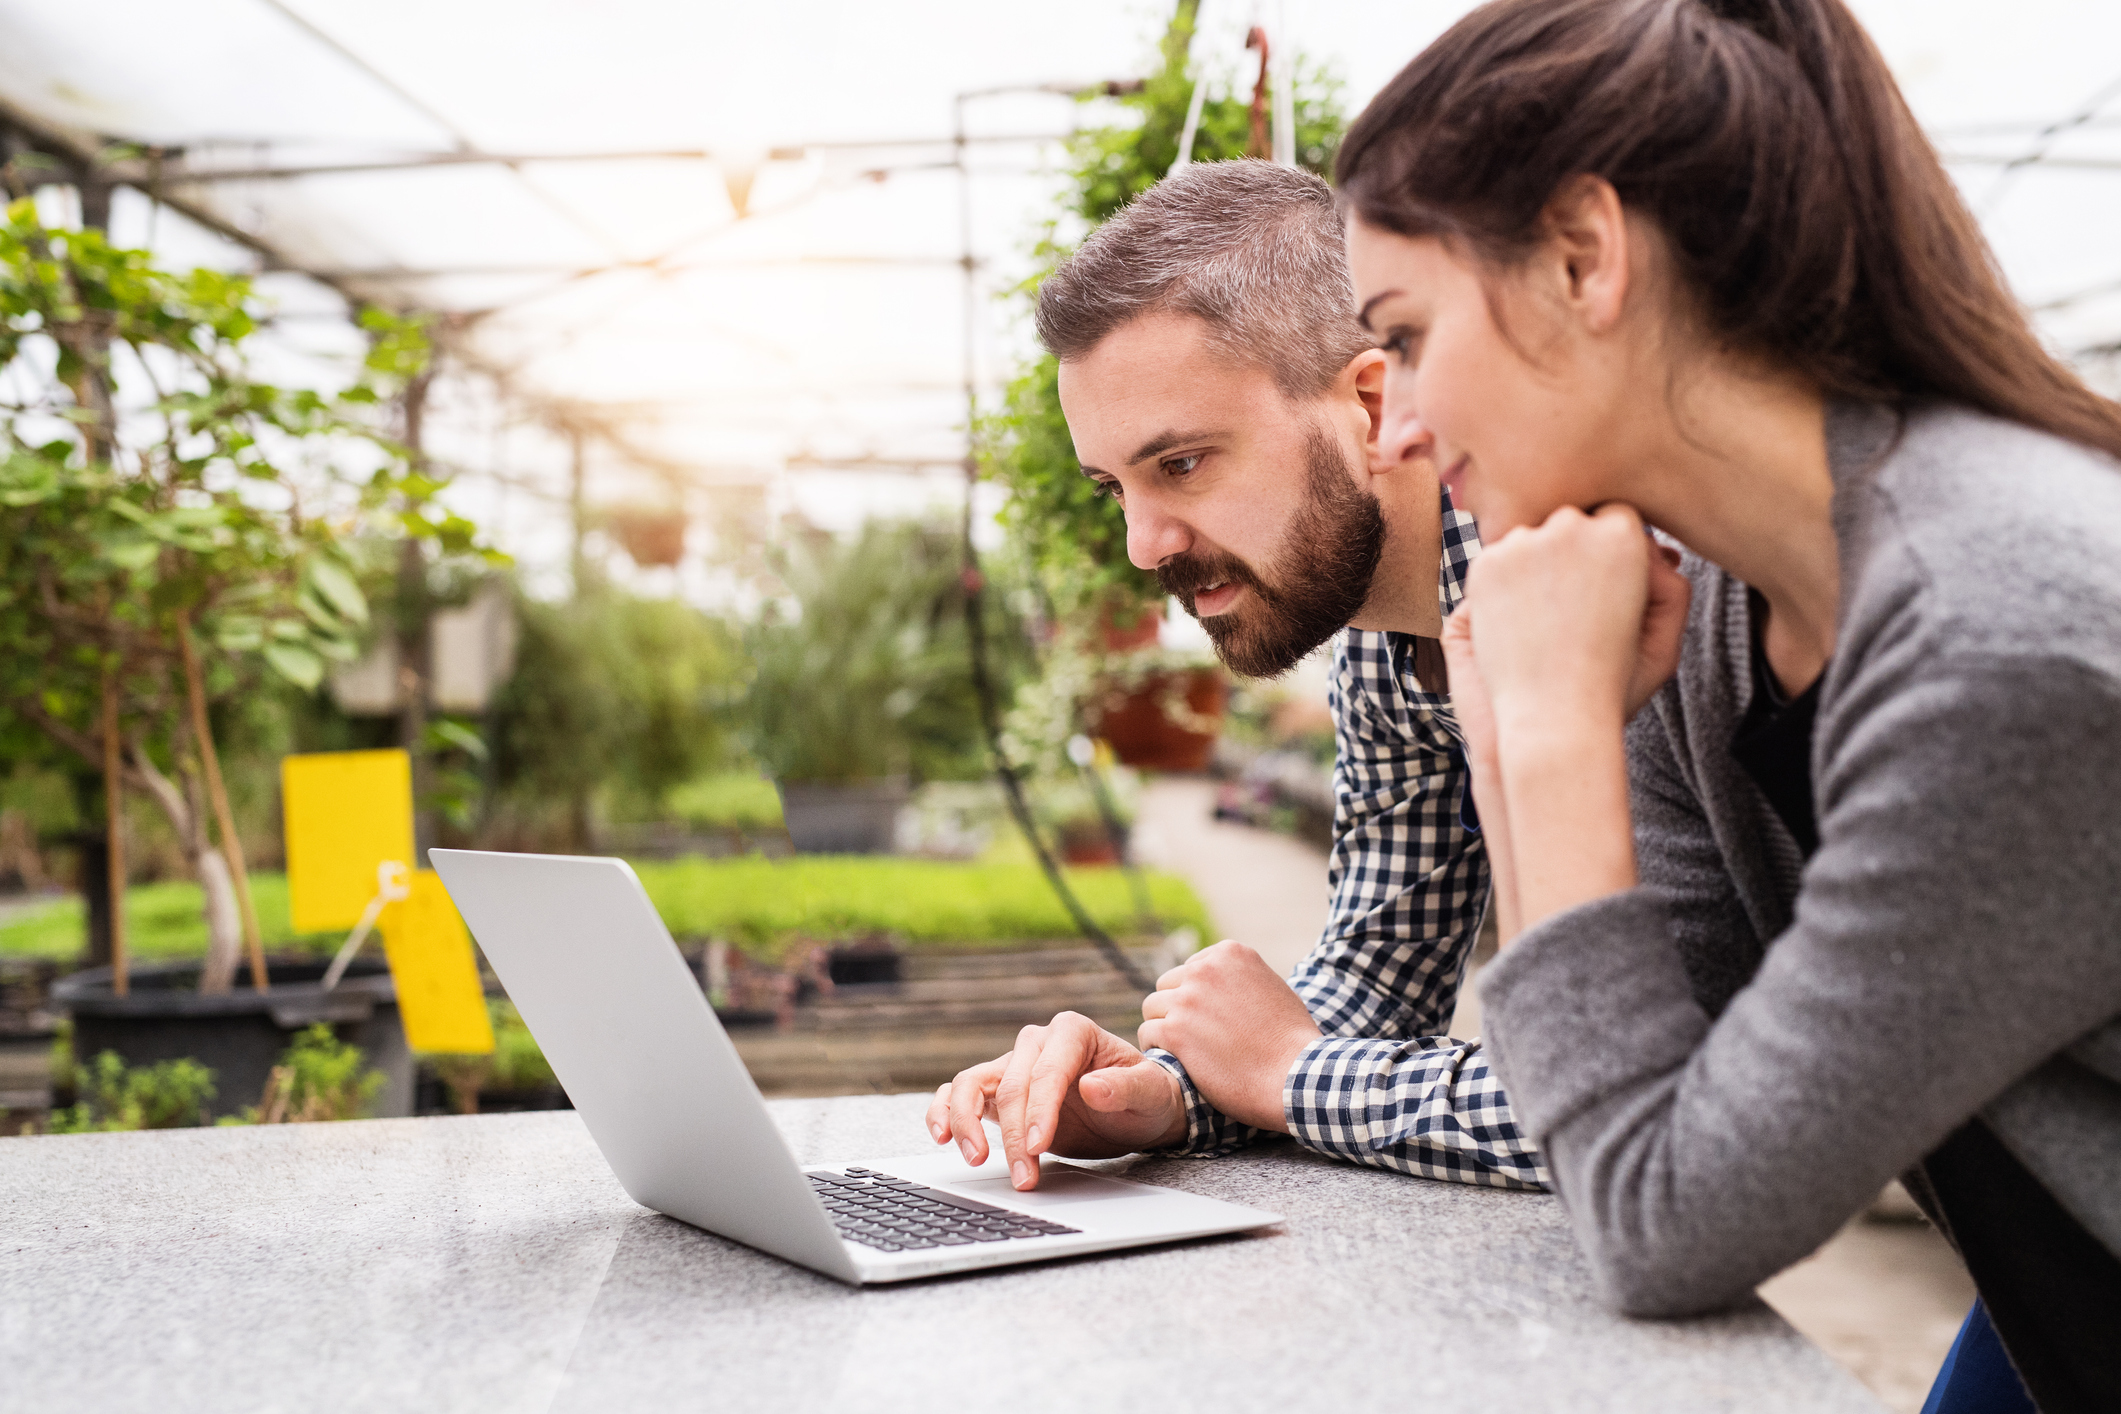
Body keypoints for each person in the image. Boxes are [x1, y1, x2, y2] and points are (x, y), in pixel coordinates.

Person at [1334, 0, 2121, 1409]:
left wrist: (1556, 727)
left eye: (1405, 333)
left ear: (1582, 258)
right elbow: (1609, 1106)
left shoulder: (1989, 635)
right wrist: (1510, 717)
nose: (1386, 429)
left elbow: (1662, 1218)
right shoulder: (1716, 624)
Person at [927, 160, 1547, 1199]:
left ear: (1369, 399)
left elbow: (1611, 1104)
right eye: (1113, 485)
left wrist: (1289, 1073)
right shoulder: (1382, 640)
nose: (1140, 543)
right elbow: (1375, 982)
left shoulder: (1586, 582)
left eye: (1181, 463)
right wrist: (1171, 1096)